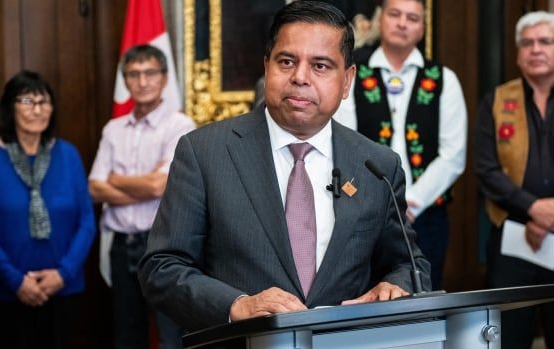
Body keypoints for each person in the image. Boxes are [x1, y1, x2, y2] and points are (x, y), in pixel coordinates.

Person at [138, 1, 431, 333]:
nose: (300, 78)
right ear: (267, 67)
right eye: (287, 61)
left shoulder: (377, 165)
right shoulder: (204, 153)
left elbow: (407, 264)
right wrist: (237, 306)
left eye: (320, 66)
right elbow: (162, 268)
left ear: (347, 80)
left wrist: (394, 286)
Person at [476, 11, 554, 349]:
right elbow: (486, 170)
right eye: (527, 43)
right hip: (512, 237)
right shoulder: (497, 101)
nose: (536, 49)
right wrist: (533, 208)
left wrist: (552, 215)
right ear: (518, 55)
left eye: (545, 41)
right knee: (509, 336)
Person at [334, 0, 467, 290]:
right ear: (380, 20)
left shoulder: (443, 79)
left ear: (422, 29)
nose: (403, 23)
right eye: (394, 15)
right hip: (364, 211)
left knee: (423, 297)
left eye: (412, 18)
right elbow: (343, 141)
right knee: (366, 294)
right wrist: (382, 201)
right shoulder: (353, 74)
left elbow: (453, 155)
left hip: (426, 215)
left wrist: (413, 202)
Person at [89, 45, 195, 349]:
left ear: (164, 79)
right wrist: (142, 183)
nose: (142, 81)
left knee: (170, 336)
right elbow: (95, 188)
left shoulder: (180, 126)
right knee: (126, 334)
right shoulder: (113, 129)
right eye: (133, 74)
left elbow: (159, 187)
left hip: (162, 245)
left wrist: (117, 180)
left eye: (150, 73)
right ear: (125, 81)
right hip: (122, 246)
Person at [0, 70, 96, 349]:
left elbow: (86, 221)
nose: (38, 110)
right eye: (27, 101)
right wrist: (15, 281)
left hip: (64, 287)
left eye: (44, 102)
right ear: (10, 107)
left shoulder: (68, 154)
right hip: (8, 291)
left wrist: (63, 274)